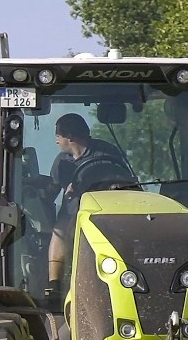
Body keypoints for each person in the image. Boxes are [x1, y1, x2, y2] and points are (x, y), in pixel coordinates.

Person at [44, 113, 134, 306]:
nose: (56, 141)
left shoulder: (106, 152)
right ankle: (54, 284)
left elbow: (124, 179)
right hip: (74, 211)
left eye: (58, 135)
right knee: (59, 229)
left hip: (107, 208)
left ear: (69, 136)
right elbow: (52, 190)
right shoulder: (62, 162)